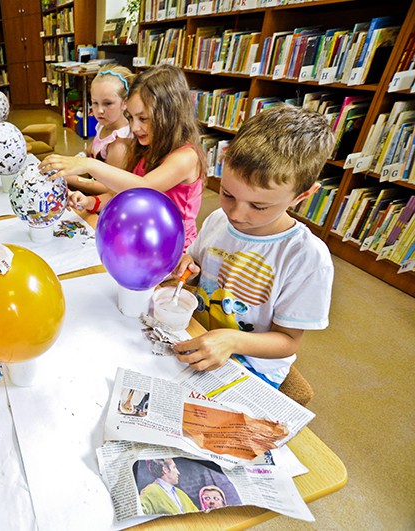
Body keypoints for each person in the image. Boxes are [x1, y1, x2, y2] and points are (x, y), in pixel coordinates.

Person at [171, 105, 335, 388]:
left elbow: (287, 341)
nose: (236, 214)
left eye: (258, 206)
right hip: (200, 335)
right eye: (227, 194)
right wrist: (188, 267)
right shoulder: (218, 219)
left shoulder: (307, 258)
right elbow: (196, 269)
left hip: (252, 365)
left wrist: (232, 341)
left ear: (302, 195)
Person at [40, 64, 204, 250]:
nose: (134, 127)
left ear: (170, 114)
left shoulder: (186, 157)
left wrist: (88, 165)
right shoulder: (146, 147)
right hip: (142, 239)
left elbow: (144, 187)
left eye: (143, 118)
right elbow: (123, 195)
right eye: (131, 118)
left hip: (173, 250)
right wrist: (90, 202)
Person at [68, 65, 133, 196]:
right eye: (95, 103)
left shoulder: (119, 144)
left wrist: (71, 178)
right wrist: (75, 160)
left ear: (124, 103)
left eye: (107, 103)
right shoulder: (104, 125)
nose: (100, 110)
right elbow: (90, 149)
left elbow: (109, 189)